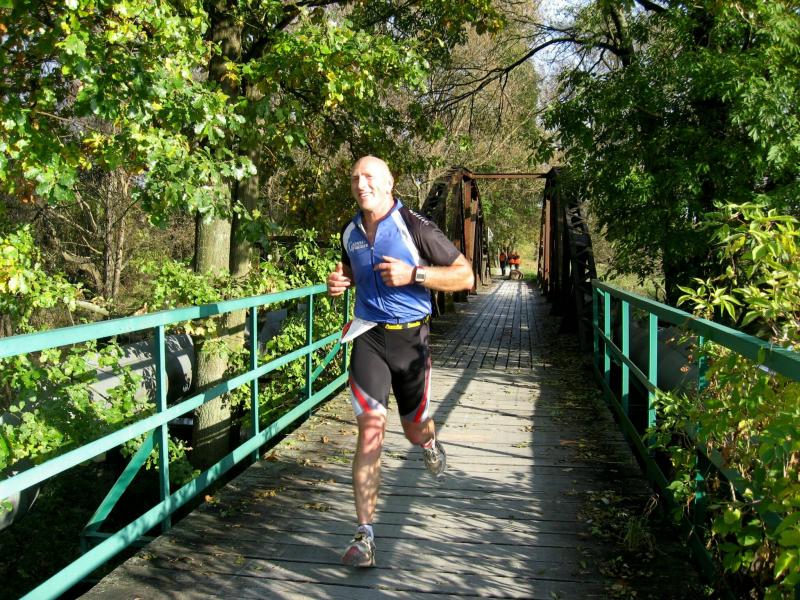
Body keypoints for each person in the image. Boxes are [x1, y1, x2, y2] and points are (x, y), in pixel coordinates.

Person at [327, 156, 474, 568]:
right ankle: (364, 535)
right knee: (371, 431)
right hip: (369, 337)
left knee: (413, 430)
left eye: (369, 177)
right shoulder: (350, 231)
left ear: (390, 183)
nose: (361, 184)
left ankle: (429, 442)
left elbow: (466, 275)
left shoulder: (416, 227)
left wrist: (416, 275)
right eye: (355, 178)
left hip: (411, 340)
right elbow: (352, 271)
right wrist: (339, 281)